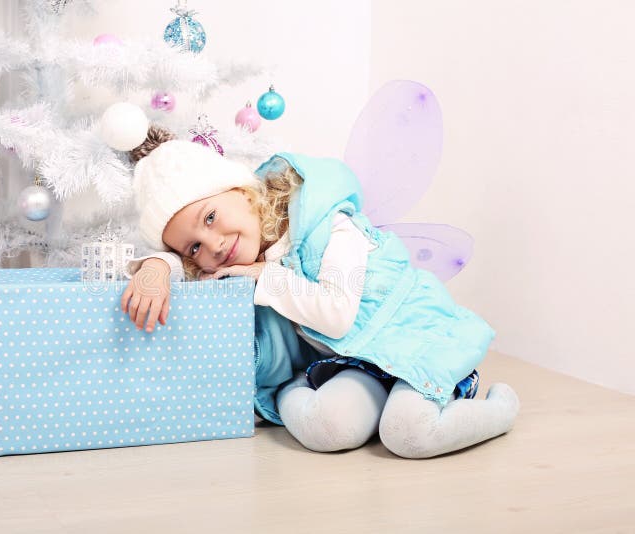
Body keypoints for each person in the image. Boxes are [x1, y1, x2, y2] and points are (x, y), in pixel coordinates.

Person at [121, 126, 520, 458]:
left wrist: (264, 276)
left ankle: (498, 409)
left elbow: (337, 314)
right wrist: (157, 266)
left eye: (210, 217)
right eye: (193, 248)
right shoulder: (234, 262)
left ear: (243, 192)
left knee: (408, 434)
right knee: (328, 429)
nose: (212, 245)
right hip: (356, 359)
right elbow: (189, 271)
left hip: (414, 340)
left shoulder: (327, 226)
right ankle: (290, 389)